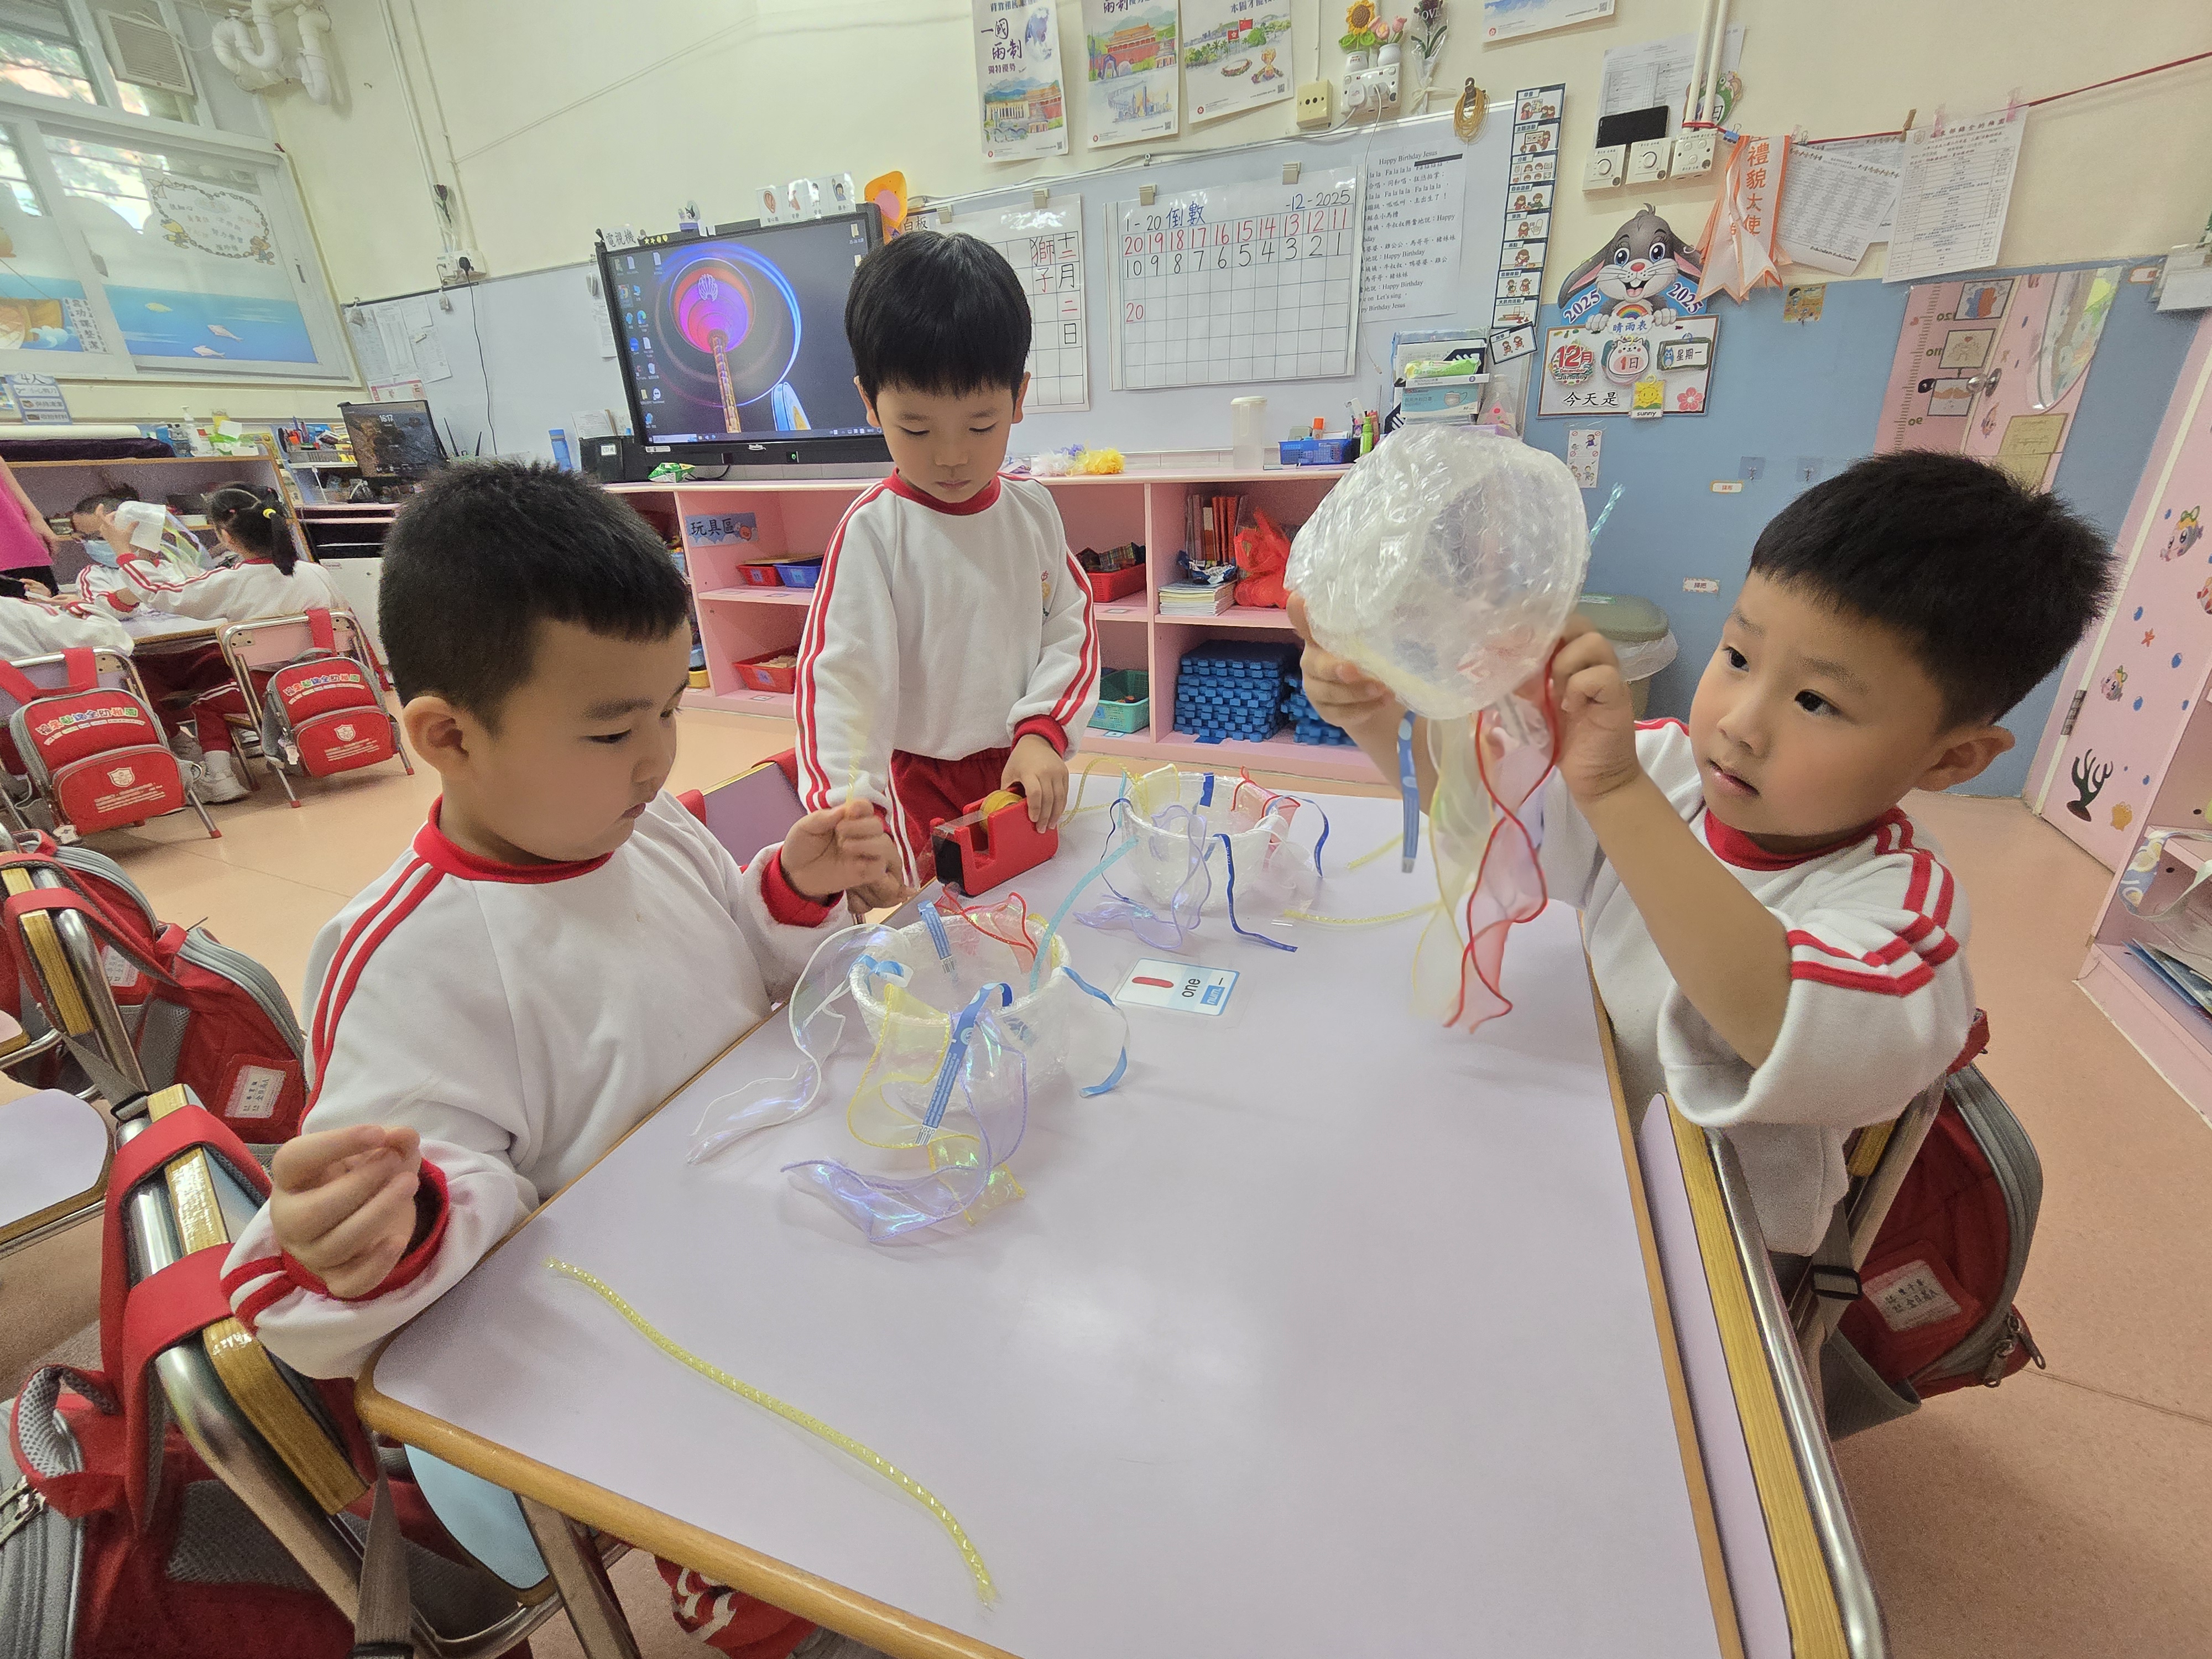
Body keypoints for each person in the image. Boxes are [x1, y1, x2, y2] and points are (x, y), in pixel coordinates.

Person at [215, 461, 898, 1659]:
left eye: (669, 709)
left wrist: (791, 889)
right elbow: (408, 1209)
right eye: (613, 729)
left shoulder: (647, 829)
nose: (656, 758)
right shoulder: (410, 956)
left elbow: (735, 966)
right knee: (843, 1574)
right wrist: (385, 1227)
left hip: (775, 1228)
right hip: (641, 1350)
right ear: (448, 736)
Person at [1293, 451, 2114, 1256]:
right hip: (1584, 1152)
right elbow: (1494, 817)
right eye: (1739, 657)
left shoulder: (1903, 911)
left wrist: (1617, 792)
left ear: (1952, 759)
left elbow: (1779, 1021)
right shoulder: (1665, 767)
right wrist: (1373, 716)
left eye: (1817, 701)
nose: (1739, 724)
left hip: (1717, 1249)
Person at [796, 230, 1099, 896]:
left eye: (982, 425)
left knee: (1037, 909)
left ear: (1019, 398)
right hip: (916, 785)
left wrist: (1044, 731)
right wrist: (851, 813)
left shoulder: (1032, 511)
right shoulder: (874, 533)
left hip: (1020, 766)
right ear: (869, 402)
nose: (952, 455)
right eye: (917, 428)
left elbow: (1070, 628)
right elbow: (841, 683)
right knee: (937, 924)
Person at [105, 486, 338, 801]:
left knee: (207, 704)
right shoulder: (316, 572)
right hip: (329, 678)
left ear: (226, 537)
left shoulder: (231, 581)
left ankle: (220, 778)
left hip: (269, 688)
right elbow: (345, 623)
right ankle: (289, 751)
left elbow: (161, 593)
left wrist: (125, 554)